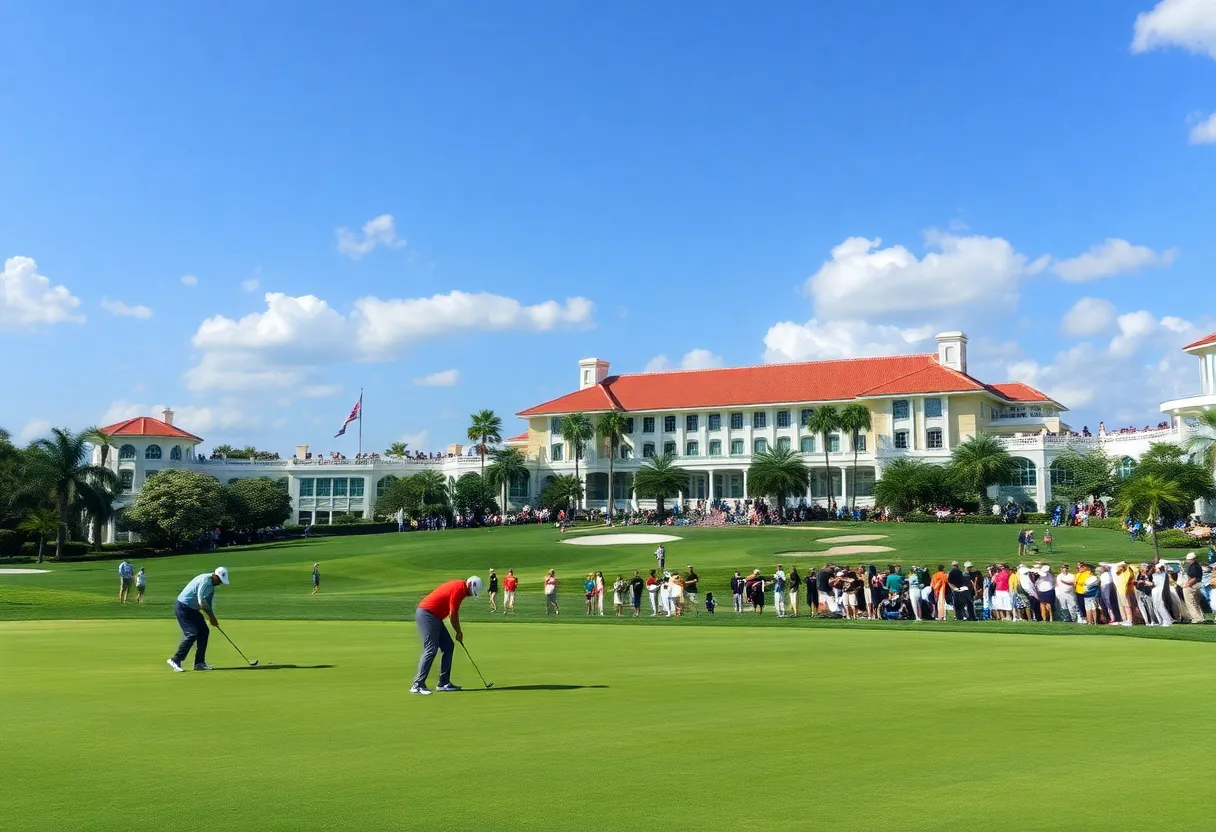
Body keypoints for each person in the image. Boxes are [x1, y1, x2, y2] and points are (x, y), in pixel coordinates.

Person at [410, 575, 482, 694]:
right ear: (470, 585)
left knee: (448, 646)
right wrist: (458, 631)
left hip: (434, 616)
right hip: (427, 614)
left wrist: (458, 631)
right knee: (431, 648)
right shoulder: (459, 589)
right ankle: (417, 684)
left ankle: (444, 683)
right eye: (471, 592)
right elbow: (453, 615)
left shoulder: (461, 589)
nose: (470, 595)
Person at [167, 567, 229, 672]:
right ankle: (175, 660)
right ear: (215, 576)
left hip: (192, 610)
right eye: (219, 580)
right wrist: (211, 618)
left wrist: (212, 618)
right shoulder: (206, 581)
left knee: (204, 631)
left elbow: (208, 604)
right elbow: (202, 602)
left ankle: (199, 663)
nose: (220, 583)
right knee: (191, 633)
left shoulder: (211, 586)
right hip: (183, 607)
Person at [1182, 553, 1206, 623]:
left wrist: (1187, 585)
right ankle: (1201, 617)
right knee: (1196, 602)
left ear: (1191, 559)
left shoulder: (1194, 567)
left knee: (1191, 602)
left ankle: (1196, 618)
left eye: (1188, 559)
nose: (1187, 560)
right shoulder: (1197, 565)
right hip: (1197, 585)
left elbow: (1194, 578)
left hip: (1192, 586)